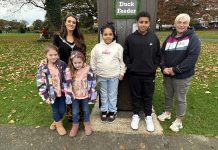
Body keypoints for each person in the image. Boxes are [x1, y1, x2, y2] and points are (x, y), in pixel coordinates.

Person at [158, 13, 201, 132]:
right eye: (179, 22)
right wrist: (163, 67)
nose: (181, 25)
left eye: (184, 23)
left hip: (182, 75)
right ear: (175, 24)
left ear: (188, 24)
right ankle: (167, 112)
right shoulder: (170, 37)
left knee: (180, 98)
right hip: (167, 73)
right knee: (168, 94)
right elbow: (161, 54)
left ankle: (179, 120)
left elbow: (191, 59)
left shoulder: (193, 39)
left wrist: (174, 70)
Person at [123, 11, 161, 132]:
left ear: (149, 23)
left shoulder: (153, 38)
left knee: (148, 96)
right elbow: (126, 55)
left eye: (146, 22)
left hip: (149, 75)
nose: (143, 24)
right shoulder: (130, 38)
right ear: (137, 23)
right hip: (134, 74)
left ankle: (148, 116)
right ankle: (135, 115)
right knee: (136, 96)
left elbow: (158, 55)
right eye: (141, 22)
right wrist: (131, 67)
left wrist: (153, 67)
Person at [53, 13, 86, 121]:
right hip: (63, 70)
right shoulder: (57, 37)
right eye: (69, 21)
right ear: (65, 23)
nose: (71, 24)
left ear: (76, 25)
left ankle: (78, 113)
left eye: (74, 22)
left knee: (77, 90)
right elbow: (53, 52)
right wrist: (46, 60)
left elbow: (83, 54)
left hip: (77, 70)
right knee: (66, 92)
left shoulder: (79, 38)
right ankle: (64, 116)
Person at [90, 23, 126, 123]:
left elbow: (122, 61)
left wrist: (122, 73)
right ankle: (104, 110)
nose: (108, 36)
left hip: (114, 77)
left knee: (112, 94)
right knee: (103, 95)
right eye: (105, 34)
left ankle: (112, 111)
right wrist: (95, 72)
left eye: (110, 34)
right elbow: (92, 61)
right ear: (102, 35)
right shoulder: (97, 47)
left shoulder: (118, 47)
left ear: (113, 35)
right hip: (101, 77)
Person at [64, 51, 97, 137]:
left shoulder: (87, 69)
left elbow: (92, 81)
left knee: (86, 110)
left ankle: (87, 124)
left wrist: (92, 94)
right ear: (72, 62)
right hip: (75, 96)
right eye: (75, 63)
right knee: (75, 112)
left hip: (85, 95)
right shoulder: (69, 70)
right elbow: (66, 83)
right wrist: (69, 95)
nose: (77, 64)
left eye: (79, 62)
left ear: (83, 61)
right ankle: (75, 125)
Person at [36, 44, 67, 136]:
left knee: (62, 109)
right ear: (46, 55)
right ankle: (59, 125)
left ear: (58, 54)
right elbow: (40, 82)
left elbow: (67, 77)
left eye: (55, 54)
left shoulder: (62, 64)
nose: (53, 57)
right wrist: (45, 96)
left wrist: (68, 90)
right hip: (51, 94)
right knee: (55, 110)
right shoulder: (42, 67)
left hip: (61, 92)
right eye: (50, 55)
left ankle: (56, 121)